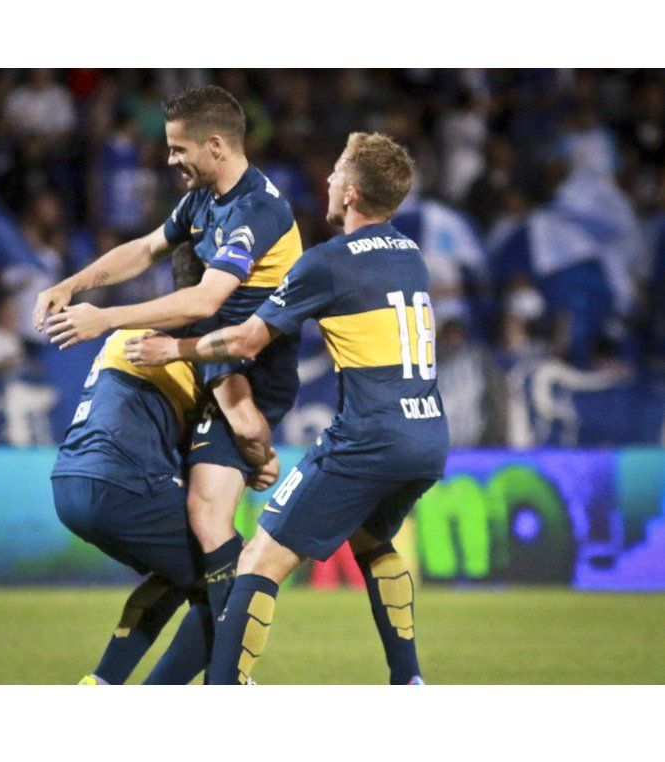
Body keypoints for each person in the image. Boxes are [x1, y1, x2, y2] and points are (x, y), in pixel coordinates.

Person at [126, 132, 449, 684]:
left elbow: (247, 340)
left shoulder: (327, 262)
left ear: (351, 193)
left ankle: (225, 689)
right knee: (372, 541)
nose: (328, 179)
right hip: (428, 436)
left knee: (259, 559)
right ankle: (409, 680)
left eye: (336, 172)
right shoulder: (410, 254)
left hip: (369, 440)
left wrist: (175, 349)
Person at [34, 86, 302, 638]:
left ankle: (232, 665)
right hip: (211, 360)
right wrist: (71, 284)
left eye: (179, 149)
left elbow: (205, 300)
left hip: (248, 368)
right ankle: (209, 667)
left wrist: (107, 319)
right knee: (201, 525)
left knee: (209, 522)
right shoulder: (202, 199)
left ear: (216, 145)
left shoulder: (258, 209)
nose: (170, 159)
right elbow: (145, 248)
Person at [53, 303, 278, 685]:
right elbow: (244, 427)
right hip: (121, 482)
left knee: (180, 573)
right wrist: (262, 456)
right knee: (231, 572)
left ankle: (101, 682)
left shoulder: (128, 331)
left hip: (68, 480)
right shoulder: (197, 335)